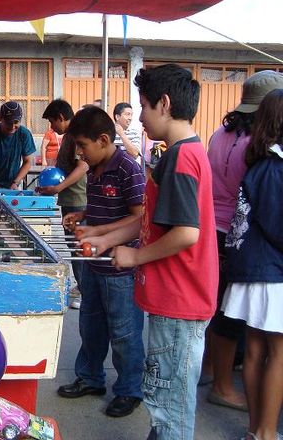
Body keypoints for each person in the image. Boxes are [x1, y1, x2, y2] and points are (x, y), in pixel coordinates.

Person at [82, 64, 218, 439]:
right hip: (172, 297)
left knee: (170, 405)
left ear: (165, 103)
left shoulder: (182, 158)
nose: (139, 117)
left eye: (143, 106)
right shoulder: (177, 153)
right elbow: (153, 222)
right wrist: (109, 239)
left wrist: (135, 256)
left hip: (181, 298)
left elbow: (187, 233)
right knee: (163, 400)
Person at [56, 106, 146, 419]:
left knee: (124, 333)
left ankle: (130, 389)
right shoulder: (94, 169)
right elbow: (102, 208)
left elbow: (138, 218)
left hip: (120, 269)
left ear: (104, 139)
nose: (79, 153)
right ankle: (91, 378)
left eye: (82, 145)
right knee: (90, 327)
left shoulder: (127, 169)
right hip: (94, 265)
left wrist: (100, 232)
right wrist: (82, 216)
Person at [204, 70, 283, 412]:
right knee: (236, 322)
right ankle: (222, 386)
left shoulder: (221, 134)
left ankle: (212, 373)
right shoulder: (260, 149)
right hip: (248, 239)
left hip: (218, 231)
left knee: (222, 311)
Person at [222, 89, 283, 440]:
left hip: (253, 268)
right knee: (275, 353)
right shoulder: (275, 168)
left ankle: (256, 429)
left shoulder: (260, 163)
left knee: (257, 350)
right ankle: (266, 431)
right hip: (270, 271)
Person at [39, 99, 88, 310]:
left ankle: (86, 291)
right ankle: (82, 287)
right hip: (70, 199)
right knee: (72, 246)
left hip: (77, 200)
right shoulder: (69, 135)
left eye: (52, 122)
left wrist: (59, 187)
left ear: (61, 117)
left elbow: (83, 166)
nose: (52, 127)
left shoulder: (76, 134)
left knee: (78, 247)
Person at [0, 101, 36, 189]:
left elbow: (27, 162)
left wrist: (16, 182)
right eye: (8, 122)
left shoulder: (24, 134)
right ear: (1, 119)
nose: (12, 127)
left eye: (16, 122)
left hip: (13, 183)